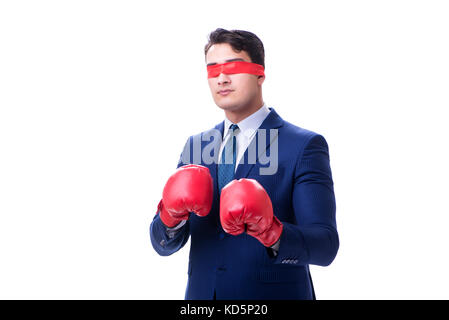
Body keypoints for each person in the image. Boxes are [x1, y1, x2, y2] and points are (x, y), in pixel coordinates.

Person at [149, 28, 339, 300]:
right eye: (213, 70)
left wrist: (272, 232)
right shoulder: (196, 147)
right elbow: (162, 244)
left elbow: (326, 246)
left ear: (260, 73)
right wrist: (170, 218)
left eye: (233, 68)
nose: (222, 78)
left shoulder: (303, 145)